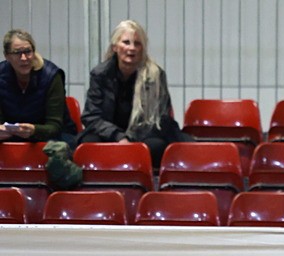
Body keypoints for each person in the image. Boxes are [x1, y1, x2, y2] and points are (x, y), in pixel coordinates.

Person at [79, 20, 190, 167]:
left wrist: (131, 141)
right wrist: (119, 137)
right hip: (110, 134)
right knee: (90, 143)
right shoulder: (100, 75)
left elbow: (161, 118)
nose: (132, 48)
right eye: (126, 42)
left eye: (137, 44)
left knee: (156, 146)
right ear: (115, 47)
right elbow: (91, 116)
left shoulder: (156, 75)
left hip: (144, 135)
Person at [0, 29, 78, 146]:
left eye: (28, 51)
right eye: (17, 53)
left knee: (58, 147)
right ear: (7, 56)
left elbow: (55, 126)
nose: (24, 58)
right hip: (12, 137)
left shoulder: (51, 75)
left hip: (54, 137)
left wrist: (34, 130)